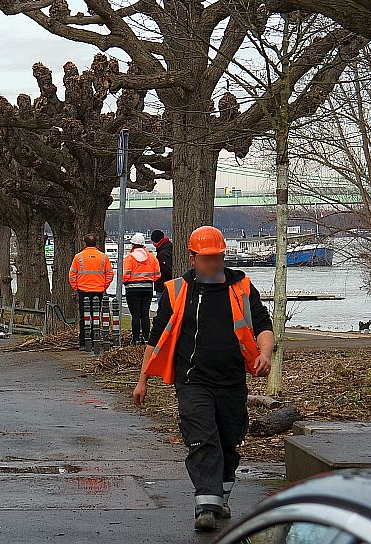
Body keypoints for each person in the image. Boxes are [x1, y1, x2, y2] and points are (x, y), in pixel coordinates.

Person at [133, 225, 274, 532]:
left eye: (218, 257)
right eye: (208, 258)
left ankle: (220, 497)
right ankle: (206, 506)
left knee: (228, 439)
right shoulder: (177, 291)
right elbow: (156, 338)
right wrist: (142, 379)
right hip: (192, 379)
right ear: (194, 257)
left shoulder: (242, 287)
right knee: (202, 437)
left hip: (232, 380)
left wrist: (265, 354)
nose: (214, 264)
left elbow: (263, 324)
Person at [68, 233, 113, 351]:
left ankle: (84, 343)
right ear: (96, 243)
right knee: (96, 316)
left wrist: (76, 287)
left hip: (83, 291)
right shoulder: (103, 257)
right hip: (98, 291)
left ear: (85, 243)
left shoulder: (78, 257)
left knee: (84, 317)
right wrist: (103, 286)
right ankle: (95, 341)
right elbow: (109, 274)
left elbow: (72, 275)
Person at [122, 232, 162, 344]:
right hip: (147, 288)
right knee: (145, 314)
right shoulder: (151, 258)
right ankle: (146, 338)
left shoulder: (129, 258)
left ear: (133, 245)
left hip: (132, 289)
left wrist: (126, 282)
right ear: (143, 245)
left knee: (135, 315)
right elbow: (157, 274)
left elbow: (124, 275)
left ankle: (135, 339)